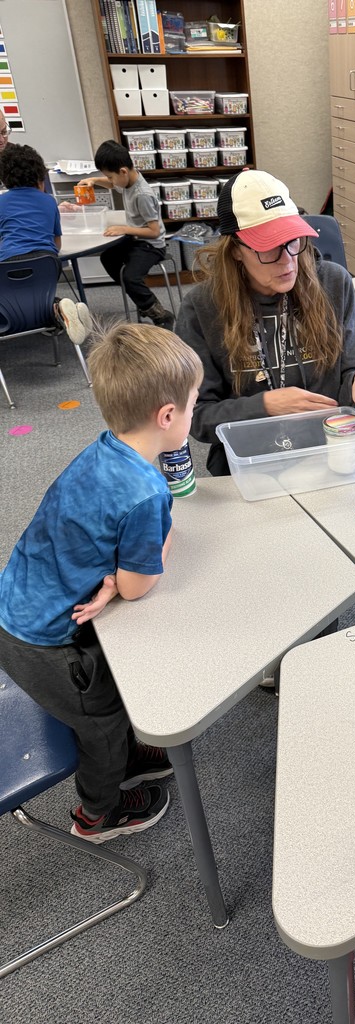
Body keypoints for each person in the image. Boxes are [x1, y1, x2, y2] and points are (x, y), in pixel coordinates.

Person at [0, 322, 204, 842]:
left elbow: (87, 527)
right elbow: (139, 585)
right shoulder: (146, 492)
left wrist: (111, 574)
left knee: (107, 700)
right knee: (102, 724)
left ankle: (128, 757)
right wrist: (154, 549)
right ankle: (99, 812)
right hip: (46, 644)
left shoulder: (104, 448)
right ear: (166, 416)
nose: (194, 410)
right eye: (193, 403)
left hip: (21, 600)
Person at [174, 168, 355, 475]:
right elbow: (197, 418)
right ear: (235, 249)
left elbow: (354, 364)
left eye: (293, 241)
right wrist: (265, 407)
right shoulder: (201, 308)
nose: (288, 260)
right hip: (249, 465)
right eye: (269, 248)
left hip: (330, 452)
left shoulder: (334, 283)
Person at [0, 142, 92, 344]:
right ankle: (59, 310)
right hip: (48, 264)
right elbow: (56, 242)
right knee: (37, 295)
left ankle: (54, 312)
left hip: (7, 266)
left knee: (9, 298)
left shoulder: (1, 202)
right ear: (39, 176)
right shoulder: (49, 201)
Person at [77, 139, 174, 329]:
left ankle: (160, 314)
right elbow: (114, 184)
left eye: (110, 176)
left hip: (151, 245)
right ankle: (141, 299)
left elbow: (154, 232)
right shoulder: (127, 178)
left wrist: (124, 229)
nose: (110, 181)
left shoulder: (142, 195)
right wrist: (95, 180)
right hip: (136, 239)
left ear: (122, 171)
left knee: (131, 277)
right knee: (108, 258)